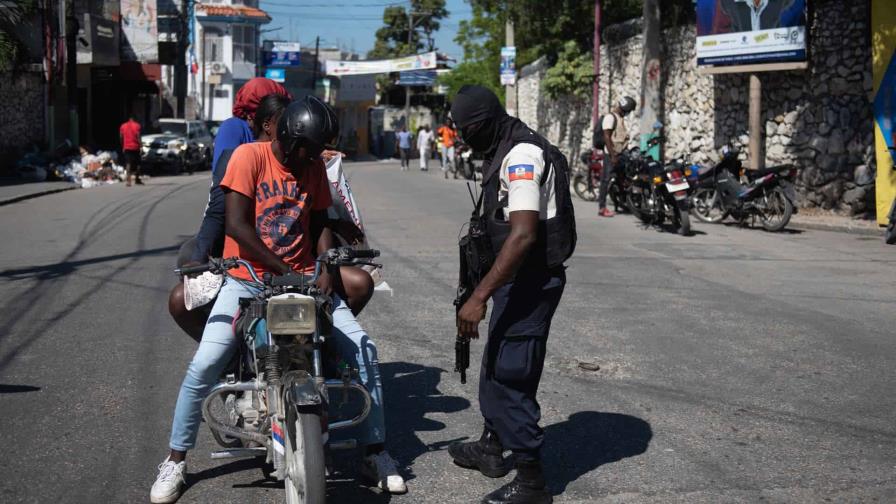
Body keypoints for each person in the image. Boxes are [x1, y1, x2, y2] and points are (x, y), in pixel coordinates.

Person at [150, 96, 406, 503]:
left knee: (364, 350)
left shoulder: (315, 165)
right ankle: (175, 460)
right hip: (246, 278)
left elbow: (320, 221)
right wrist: (278, 268)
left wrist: (323, 264)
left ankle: (375, 452)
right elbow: (236, 223)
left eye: (316, 151)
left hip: (303, 279)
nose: (310, 158)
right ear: (286, 138)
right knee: (204, 364)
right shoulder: (247, 158)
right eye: (306, 149)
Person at [448, 85, 576, 504]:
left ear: (481, 125)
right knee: (496, 365)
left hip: (530, 283)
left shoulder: (520, 155)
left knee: (510, 377)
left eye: (466, 132)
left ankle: (532, 482)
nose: (464, 141)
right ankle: (491, 445)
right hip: (513, 282)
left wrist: (479, 296)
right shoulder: (502, 146)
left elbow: (522, 235)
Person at [597, 96, 636, 218]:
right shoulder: (610, 117)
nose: (628, 113)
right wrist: (613, 156)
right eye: (628, 111)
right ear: (625, 108)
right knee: (605, 180)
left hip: (621, 154)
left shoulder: (619, 118)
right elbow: (607, 137)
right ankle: (602, 208)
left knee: (623, 178)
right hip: (611, 155)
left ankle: (623, 203)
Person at [119, 114, 143, 186]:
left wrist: (123, 145)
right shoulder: (137, 125)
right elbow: (138, 136)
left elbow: (121, 137)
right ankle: (137, 179)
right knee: (138, 163)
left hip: (127, 147)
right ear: (134, 118)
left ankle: (128, 181)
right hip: (136, 147)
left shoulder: (123, 126)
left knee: (128, 163)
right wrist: (141, 146)